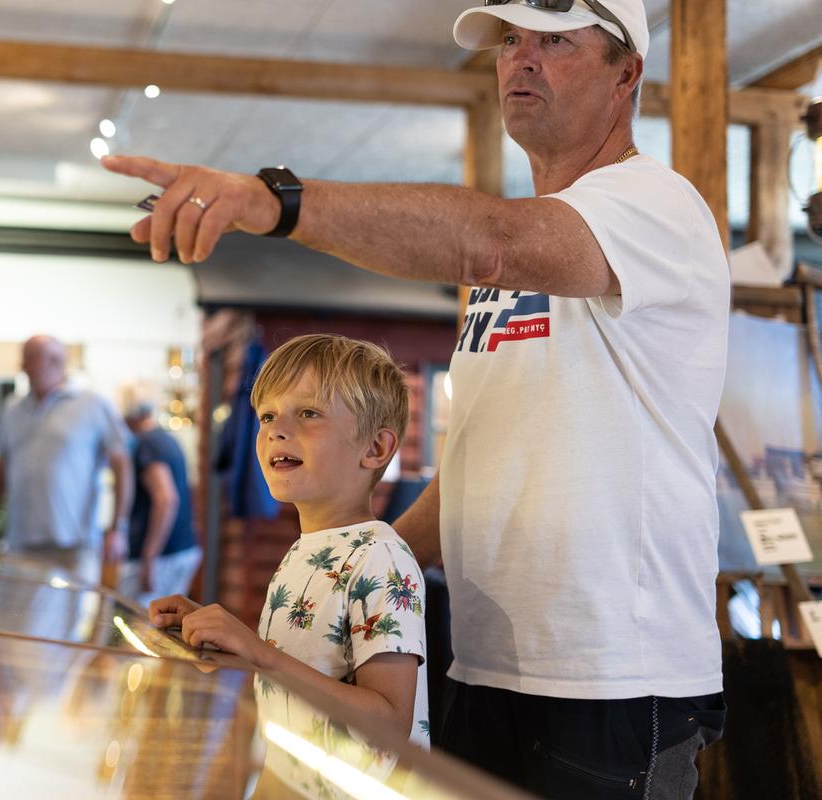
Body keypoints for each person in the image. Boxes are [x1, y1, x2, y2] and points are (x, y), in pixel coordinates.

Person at [104, 1, 728, 796]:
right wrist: (344, 577)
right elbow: (474, 473)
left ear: (626, 73)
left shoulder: (653, 205)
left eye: (556, 42)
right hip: (488, 665)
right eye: (510, 41)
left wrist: (276, 203)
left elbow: (492, 240)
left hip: (613, 678)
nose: (520, 59)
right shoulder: (510, 278)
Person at [149, 334, 430, 751]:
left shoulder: (381, 558)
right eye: (266, 417)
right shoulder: (303, 551)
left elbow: (390, 722)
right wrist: (228, 638)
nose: (277, 431)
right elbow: (301, 669)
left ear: (375, 447)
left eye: (308, 413)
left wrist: (258, 653)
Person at [0, 335, 133, 585]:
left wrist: (118, 528)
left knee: (62, 624)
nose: (22, 366)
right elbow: (0, 471)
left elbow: (121, 465)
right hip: (20, 543)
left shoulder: (92, 405)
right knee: (9, 621)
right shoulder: (12, 408)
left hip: (72, 547)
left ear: (56, 361)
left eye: (29, 358)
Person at [118, 399, 201, 609]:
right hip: (181, 548)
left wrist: (149, 557)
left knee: (133, 624)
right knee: (164, 625)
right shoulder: (167, 439)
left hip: (161, 556)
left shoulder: (146, 443)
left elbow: (165, 498)